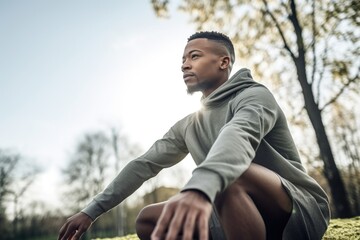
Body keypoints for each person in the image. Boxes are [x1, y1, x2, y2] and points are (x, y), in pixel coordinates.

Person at [58, 31, 330, 240]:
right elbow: (144, 165)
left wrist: (199, 188)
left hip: (297, 210)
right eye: (183, 59)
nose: (185, 65)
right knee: (148, 220)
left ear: (223, 62)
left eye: (195, 56)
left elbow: (238, 136)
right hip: (234, 211)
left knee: (229, 175)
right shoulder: (189, 124)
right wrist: (90, 211)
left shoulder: (254, 96)